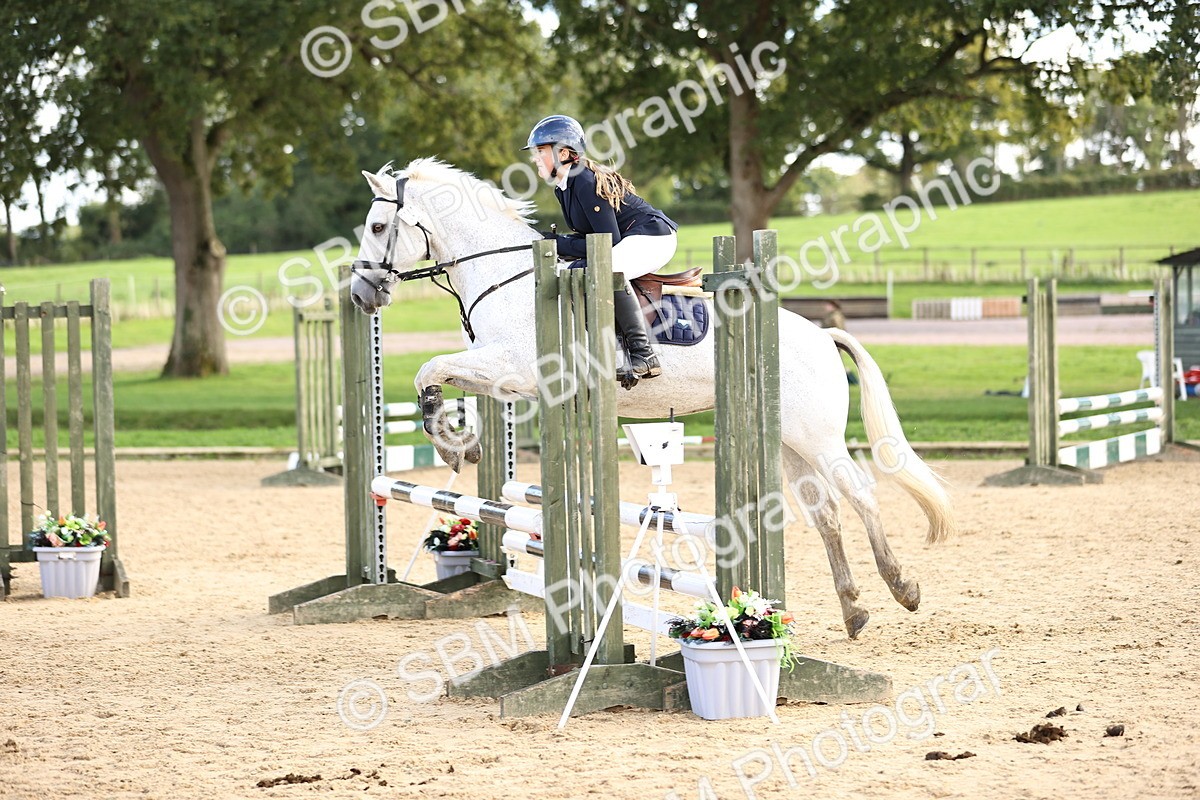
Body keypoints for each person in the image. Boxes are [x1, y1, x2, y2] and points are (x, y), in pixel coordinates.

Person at [523, 115, 678, 383]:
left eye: (540, 152)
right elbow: (589, 237)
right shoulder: (564, 186)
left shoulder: (582, 179)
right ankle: (618, 351)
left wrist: (556, 242)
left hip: (653, 236)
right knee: (578, 269)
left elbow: (606, 243)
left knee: (606, 269)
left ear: (562, 153)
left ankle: (643, 354)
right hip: (631, 238)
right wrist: (559, 243)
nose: (535, 159)